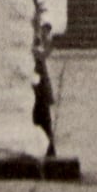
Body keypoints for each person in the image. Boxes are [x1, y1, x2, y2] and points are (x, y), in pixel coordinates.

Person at [32, 19, 57, 157]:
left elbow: (45, 51)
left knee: (42, 116)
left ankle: (49, 150)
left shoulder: (40, 32)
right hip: (33, 74)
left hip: (38, 77)